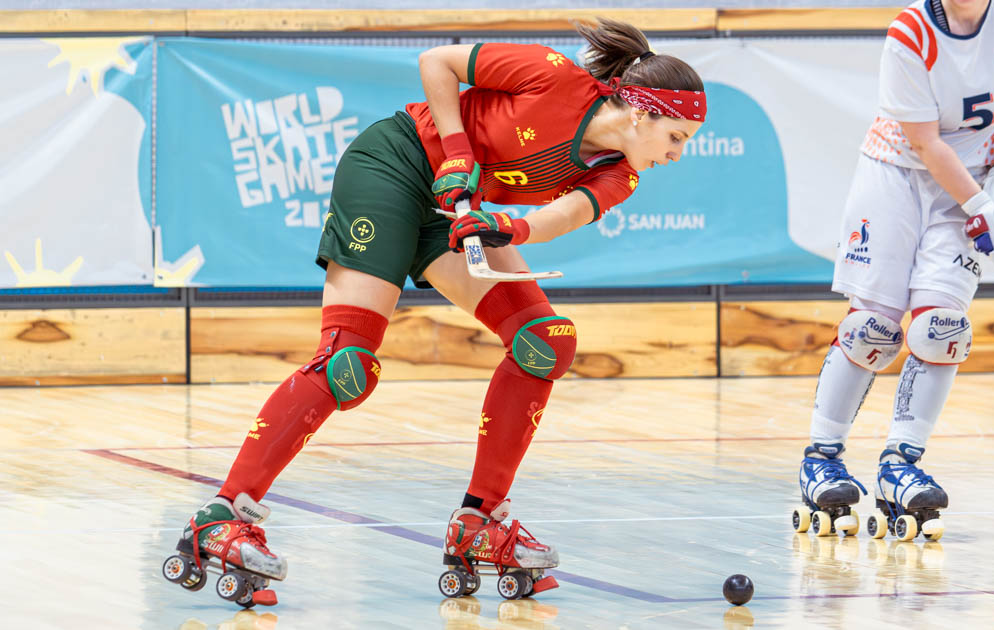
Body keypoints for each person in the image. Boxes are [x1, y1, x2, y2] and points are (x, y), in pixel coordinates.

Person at [160, 17, 705, 605]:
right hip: (395, 166)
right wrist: (456, 152)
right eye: (676, 137)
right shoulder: (553, 78)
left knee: (546, 342)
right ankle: (221, 517)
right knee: (348, 363)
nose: (676, 155)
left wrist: (508, 224)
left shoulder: (618, 173)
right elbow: (438, 61)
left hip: (453, 211)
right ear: (642, 113)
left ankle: (480, 521)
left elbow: (566, 214)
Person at [794, 0, 994, 541]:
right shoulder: (911, 33)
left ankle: (901, 464)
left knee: (941, 329)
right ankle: (821, 457)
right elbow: (925, 141)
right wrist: (981, 204)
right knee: (873, 327)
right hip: (894, 177)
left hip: (972, 179)